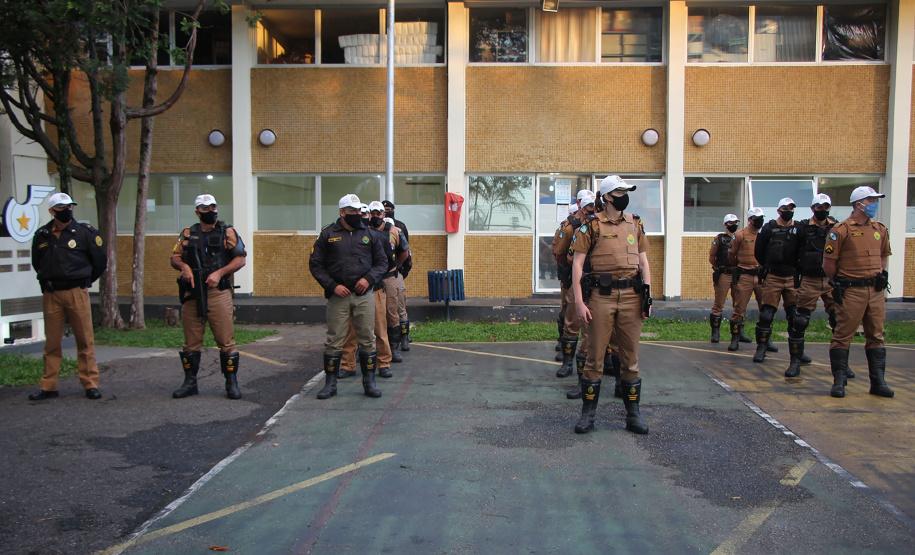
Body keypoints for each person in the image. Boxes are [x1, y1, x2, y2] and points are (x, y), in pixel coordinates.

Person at [571, 176, 652, 435]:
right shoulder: (590, 226)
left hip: (631, 297)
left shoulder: (635, 224)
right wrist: (579, 302)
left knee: (630, 359)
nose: (624, 196)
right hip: (601, 298)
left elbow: (644, 263)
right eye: (619, 192)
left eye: (625, 191)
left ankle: (633, 415)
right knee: (595, 357)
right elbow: (577, 265)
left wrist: (647, 297)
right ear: (606, 197)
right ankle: (588, 414)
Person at [28, 192, 107, 401]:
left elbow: (100, 261)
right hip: (52, 293)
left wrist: (84, 280)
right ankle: (48, 386)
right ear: (52, 211)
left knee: (85, 340)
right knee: (52, 342)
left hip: (76, 291)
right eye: (62, 208)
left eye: (69, 207)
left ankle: (90, 383)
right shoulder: (42, 235)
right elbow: (37, 263)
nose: (67, 211)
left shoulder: (84, 233)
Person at [309, 194, 389, 399]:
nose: (357, 215)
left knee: (367, 339)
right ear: (342, 212)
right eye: (352, 211)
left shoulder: (369, 234)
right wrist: (333, 286)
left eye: (358, 211)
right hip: (339, 296)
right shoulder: (327, 234)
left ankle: (369, 383)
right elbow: (316, 265)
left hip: (364, 295)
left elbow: (382, 262)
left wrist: (368, 279)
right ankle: (330, 384)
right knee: (334, 340)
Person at [170, 194, 248, 400]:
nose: (210, 211)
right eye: (204, 209)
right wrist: (184, 266)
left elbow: (240, 259)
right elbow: (174, 257)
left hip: (217, 292)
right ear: (197, 212)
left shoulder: (227, 231)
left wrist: (220, 273)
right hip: (193, 292)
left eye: (212, 207)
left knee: (226, 341)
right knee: (190, 343)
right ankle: (190, 383)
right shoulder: (188, 233)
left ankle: (231, 383)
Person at [823, 186, 893, 399]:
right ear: (859, 204)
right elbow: (828, 264)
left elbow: (884, 255)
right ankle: (839, 382)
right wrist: (840, 282)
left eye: (875, 200)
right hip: (852, 290)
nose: (874, 204)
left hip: (875, 290)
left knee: (876, 335)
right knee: (843, 335)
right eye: (871, 200)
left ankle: (878, 382)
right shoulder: (840, 230)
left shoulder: (879, 228)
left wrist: (880, 273)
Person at [338, 204, 402, 379]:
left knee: (379, 328)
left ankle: (383, 363)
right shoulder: (340, 236)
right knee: (350, 330)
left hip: (374, 289)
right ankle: (348, 364)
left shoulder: (377, 237)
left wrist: (368, 279)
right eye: (363, 213)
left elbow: (385, 263)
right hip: (350, 291)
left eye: (364, 213)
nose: (365, 216)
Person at [785, 194, 839, 378]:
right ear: (812, 208)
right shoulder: (802, 228)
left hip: (831, 279)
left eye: (825, 206)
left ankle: (841, 365)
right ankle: (795, 361)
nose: (822, 210)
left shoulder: (837, 228)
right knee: (800, 321)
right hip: (809, 278)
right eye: (819, 206)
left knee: (839, 320)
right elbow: (791, 252)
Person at [552, 190, 596, 379]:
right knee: (571, 321)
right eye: (588, 207)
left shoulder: (598, 225)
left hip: (596, 282)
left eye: (594, 207)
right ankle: (567, 362)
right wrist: (571, 274)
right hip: (576, 279)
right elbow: (561, 254)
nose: (591, 211)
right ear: (580, 206)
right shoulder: (573, 227)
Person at [752, 198, 802, 363]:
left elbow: (803, 251)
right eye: (785, 208)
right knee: (767, 314)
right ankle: (762, 348)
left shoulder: (799, 228)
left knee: (795, 316)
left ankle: (796, 353)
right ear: (779, 210)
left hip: (792, 277)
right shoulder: (769, 228)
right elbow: (759, 252)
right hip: (773, 276)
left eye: (791, 208)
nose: (788, 211)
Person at [726, 208, 767, 351]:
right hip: (745, 275)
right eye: (757, 218)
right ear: (750, 219)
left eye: (762, 217)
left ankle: (765, 341)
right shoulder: (739, 235)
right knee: (739, 308)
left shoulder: (765, 234)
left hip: (761, 276)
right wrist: (742, 266)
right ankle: (735, 339)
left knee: (766, 309)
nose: (760, 220)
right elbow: (731, 256)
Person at [382, 200, 412, 351]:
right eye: (384, 210)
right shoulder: (373, 229)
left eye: (389, 209)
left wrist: (399, 270)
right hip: (380, 275)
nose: (387, 212)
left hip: (396, 273)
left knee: (400, 306)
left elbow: (405, 252)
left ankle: (404, 337)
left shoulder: (400, 227)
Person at [708, 214, 740, 343]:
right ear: (726, 224)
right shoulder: (719, 239)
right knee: (718, 304)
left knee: (739, 304)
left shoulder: (740, 237)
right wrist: (720, 267)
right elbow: (712, 257)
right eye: (731, 223)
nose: (734, 225)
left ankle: (739, 332)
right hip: (724, 274)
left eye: (736, 222)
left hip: (737, 273)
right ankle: (715, 332)